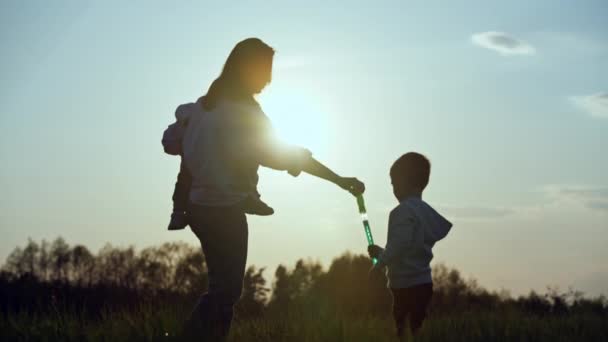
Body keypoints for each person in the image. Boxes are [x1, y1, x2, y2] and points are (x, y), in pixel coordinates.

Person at [175, 38, 365, 340]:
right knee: (226, 293)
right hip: (225, 209)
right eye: (265, 70)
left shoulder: (201, 107)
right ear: (245, 69)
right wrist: (340, 180)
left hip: (198, 207)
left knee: (221, 289)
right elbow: (284, 155)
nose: (269, 79)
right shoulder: (244, 113)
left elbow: (172, 142)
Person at [367, 152, 452, 337]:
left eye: (394, 183)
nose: (393, 188)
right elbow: (408, 249)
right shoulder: (424, 212)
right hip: (423, 283)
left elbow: (400, 245)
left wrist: (379, 264)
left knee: (402, 331)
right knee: (417, 329)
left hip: (405, 286)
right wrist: (382, 252)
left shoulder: (401, 212)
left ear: (404, 181)